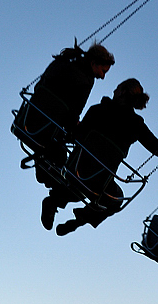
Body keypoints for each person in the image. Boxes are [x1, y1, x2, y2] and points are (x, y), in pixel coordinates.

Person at [46, 78, 158, 235]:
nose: (113, 91)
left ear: (123, 92)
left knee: (75, 179)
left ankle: (53, 201)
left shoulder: (97, 110)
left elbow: (75, 136)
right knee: (115, 199)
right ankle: (78, 221)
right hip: (100, 181)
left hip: (76, 169)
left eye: (117, 88)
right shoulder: (136, 125)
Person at [19, 42, 114, 214]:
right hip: (49, 129)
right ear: (94, 63)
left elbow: (39, 87)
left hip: (29, 118)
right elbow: (73, 113)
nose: (102, 77)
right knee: (69, 160)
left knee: (57, 151)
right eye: (103, 71)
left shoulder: (63, 61)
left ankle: (47, 176)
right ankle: (54, 195)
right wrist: (78, 130)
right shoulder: (86, 80)